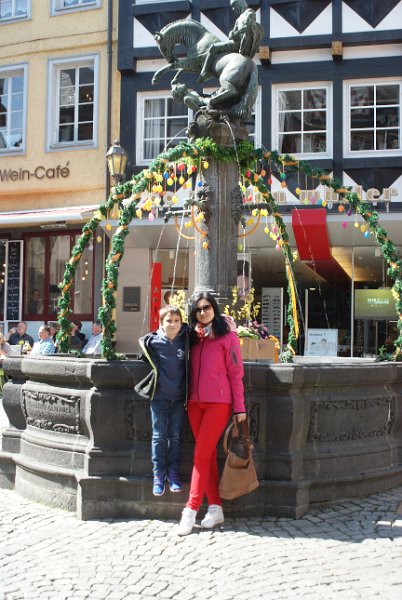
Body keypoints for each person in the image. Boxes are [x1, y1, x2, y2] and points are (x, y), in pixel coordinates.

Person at [177, 292, 246, 536]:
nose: (203, 312)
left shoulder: (228, 336)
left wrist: (239, 407)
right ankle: (215, 508)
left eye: (207, 307)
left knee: (200, 455)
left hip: (218, 403)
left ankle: (191, 509)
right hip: (195, 403)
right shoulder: (191, 337)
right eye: (198, 309)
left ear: (214, 309)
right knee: (205, 456)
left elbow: (236, 373)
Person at [136, 305, 188, 496]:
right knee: (159, 437)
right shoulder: (153, 342)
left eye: (177, 320)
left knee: (175, 436)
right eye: (169, 321)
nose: (173, 324)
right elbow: (143, 357)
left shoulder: (186, 340)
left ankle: (173, 472)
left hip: (180, 399)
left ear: (181, 322)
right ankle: (158, 474)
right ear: (161, 323)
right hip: (159, 398)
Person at [198, 0, 263, 82]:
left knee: (213, 48)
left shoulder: (249, 13)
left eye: (234, 6)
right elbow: (231, 35)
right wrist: (234, 33)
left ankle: (204, 72)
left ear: (240, 4)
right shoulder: (238, 19)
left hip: (238, 45)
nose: (233, 9)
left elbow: (250, 25)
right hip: (236, 43)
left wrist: (237, 33)